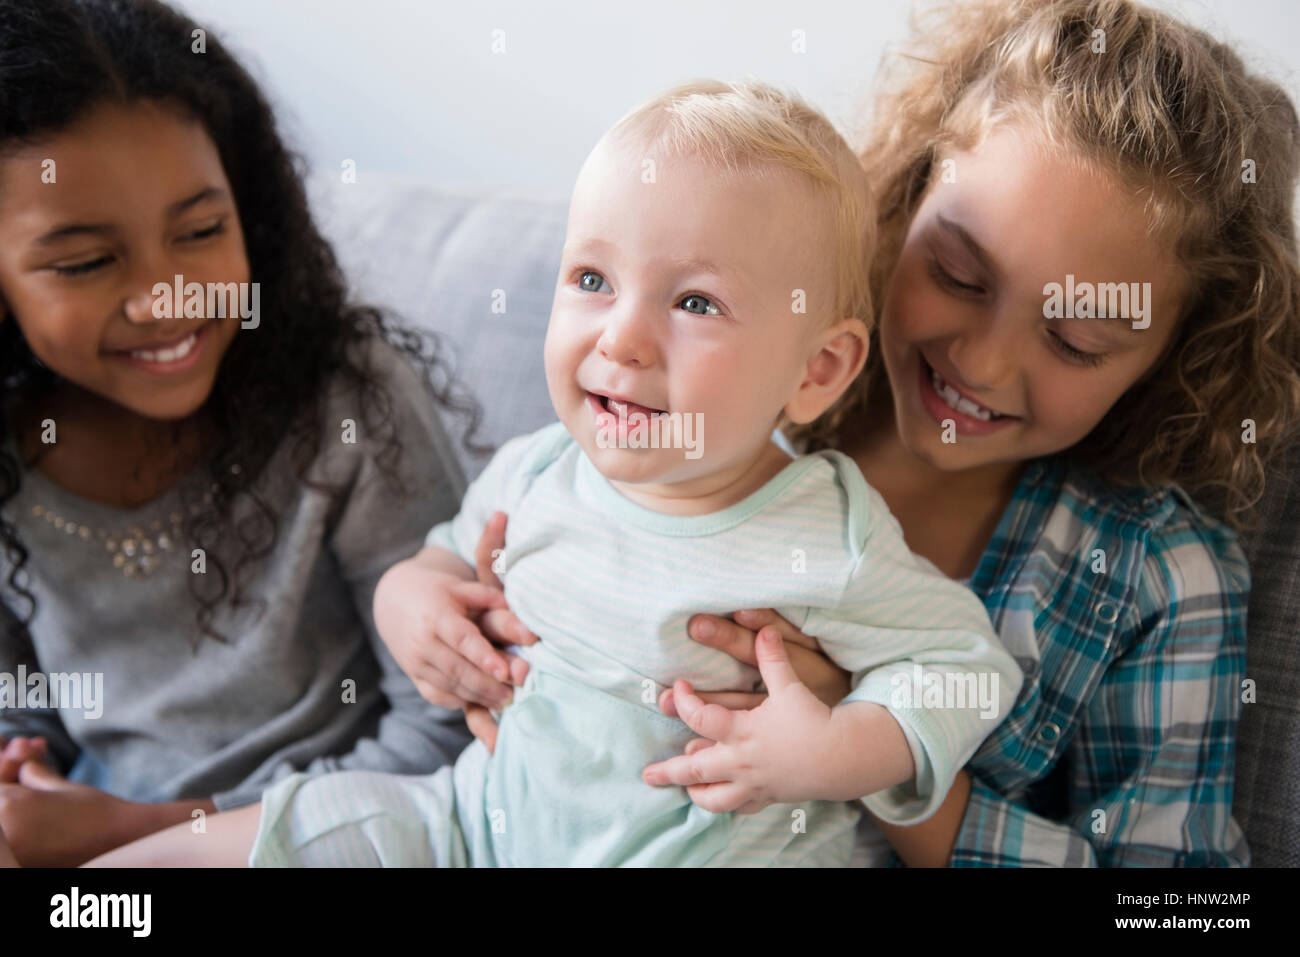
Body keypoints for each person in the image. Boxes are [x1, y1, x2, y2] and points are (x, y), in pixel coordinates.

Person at [390, 0, 1300, 867]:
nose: (980, 363)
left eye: (1074, 340)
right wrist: (455, 633)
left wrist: (866, 747)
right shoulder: (729, 384)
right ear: (905, 200)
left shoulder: (1160, 575)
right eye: (957, 273)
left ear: (1178, 354)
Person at [72, 77, 1024, 868]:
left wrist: (835, 751)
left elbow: (963, 667)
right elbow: (442, 560)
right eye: (592, 280)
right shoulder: (540, 466)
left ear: (816, 370)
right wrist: (414, 607)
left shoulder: (828, 533)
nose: (621, 337)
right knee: (299, 831)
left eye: (694, 300)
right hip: (471, 828)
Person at [0, 0, 482, 866]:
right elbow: (23, 708)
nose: (169, 298)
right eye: (85, 262)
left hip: (349, 836)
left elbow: (456, 727)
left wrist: (147, 832)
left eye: (201, 231)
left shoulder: (343, 397)